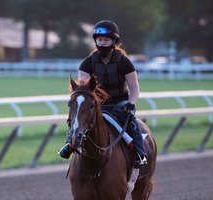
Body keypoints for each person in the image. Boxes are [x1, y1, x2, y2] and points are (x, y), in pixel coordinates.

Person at [58, 19, 148, 171]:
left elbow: (134, 88)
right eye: (99, 39)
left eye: (106, 40)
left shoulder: (125, 62)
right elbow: (84, 90)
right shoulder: (87, 63)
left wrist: (130, 104)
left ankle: (140, 153)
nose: (102, 42)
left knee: (131, 120)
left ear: (114, 42)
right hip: (97, 104)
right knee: (79, 116)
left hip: (120, 103)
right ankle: (71, 143)